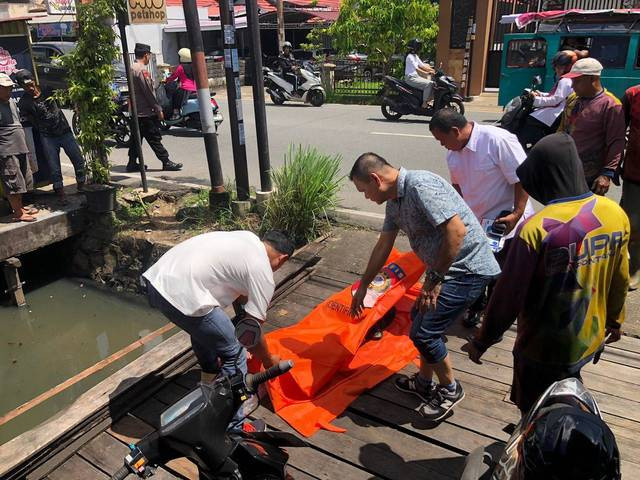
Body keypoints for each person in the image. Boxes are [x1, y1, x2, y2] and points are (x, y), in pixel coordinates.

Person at [462, 133, 629, 415]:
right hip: (589, 335)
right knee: (570, 385)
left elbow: (508, 295)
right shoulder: (614, 214)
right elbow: (620, 279)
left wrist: (483, 340)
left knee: (533, 408)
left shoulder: (538, 229)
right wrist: (615, 319)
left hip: (542, 347)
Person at [349, 153, 500, 421]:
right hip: (445, 271)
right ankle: (423, 383)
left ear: (375, 179)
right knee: (420, 320)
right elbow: (383, 245)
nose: (365, 197)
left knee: (425, 333)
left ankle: (451, 389)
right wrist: (363, 286)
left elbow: (456, 232)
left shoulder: (420, 186)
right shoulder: (394, 201)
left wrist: (433, 282)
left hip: (467, 269)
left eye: (364, 190)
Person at [142, 230, 294, 385]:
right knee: (235, 353)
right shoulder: (263, 273)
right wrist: (268, 361)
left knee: (205, 331)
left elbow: (239, 294)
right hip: (182, 294)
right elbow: (251, 330)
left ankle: (210, 375)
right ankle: (231, 405)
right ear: (282, 259)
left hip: (156, 281)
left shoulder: (246, 237)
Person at [429, 109, 535, 326]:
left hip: (506, 223)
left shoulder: (497, 140)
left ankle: (496, 319)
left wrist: (517, 213)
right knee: (476, 270)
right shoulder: (453, 154)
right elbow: (457, 188)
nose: (441, 145)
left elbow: (521, 178)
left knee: (503, 276)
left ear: (455, 131)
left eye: (442, 139)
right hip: (477, 225)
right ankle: (476, 307)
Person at [558, 58, 626, 196]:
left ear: (592, 79)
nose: (572, 85)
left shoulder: (611, 105)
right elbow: (563, 129)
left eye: (577, 81)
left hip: (589, 177)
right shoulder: (573, 99)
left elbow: (616, 142)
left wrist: (607, 174)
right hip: (566, 171)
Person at [15, 69, 85, 201]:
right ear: (21, 87)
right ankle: (60, 193)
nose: (30, 88)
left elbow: (65, 99)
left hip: (64, 131)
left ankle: (81, 185)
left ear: (34, 81)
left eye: (30, 84)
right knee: (54, 167)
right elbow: (30, 120)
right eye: (25, 86)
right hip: (47, 136)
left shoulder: (48, 89)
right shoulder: (24, 102)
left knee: (78, 159)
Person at [127, 43, 182, 173]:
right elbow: (148, 92)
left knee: (136, 139)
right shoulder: (141, 70)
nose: (150, 58)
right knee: (154, 137)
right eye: (149, 55)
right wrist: (158, 109)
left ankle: (132, 163)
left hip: (135, 111)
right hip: (145, 112)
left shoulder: (131, 67)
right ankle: (166, 161)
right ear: (146, 55)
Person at [517, 50, 576, 150]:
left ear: (567, 67)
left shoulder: (566, 80)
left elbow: (555, 100)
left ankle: (537, 147)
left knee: (530, 119)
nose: (556, 69)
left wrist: (535, 100)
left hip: (556, 113)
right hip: (557, 111)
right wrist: (540, 94)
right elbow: (556, 95)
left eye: (559, 67)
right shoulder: (568, 79)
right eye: (556, 67)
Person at [0, 73, 38, 222]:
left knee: (22, 180)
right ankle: (17, 212)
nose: (9, 91)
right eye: (5, 88)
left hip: (20, 145)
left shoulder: (11, 102)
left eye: (10, 88)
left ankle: (20, 207)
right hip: (6, 148)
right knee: (12, 180)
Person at [621, 83, 640, 291]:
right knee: (633, 223)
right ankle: (632, 268)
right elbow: (619, 130)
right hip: (635, 171)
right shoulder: (632, 94)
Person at [164, 48, 196, 120]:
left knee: (174, 96)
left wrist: (166, 80)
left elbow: (173, 76)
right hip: (195, 89)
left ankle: (176, 114)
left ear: (183, 57)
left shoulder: (181, 67)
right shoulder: (194, 66)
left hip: (185, 89)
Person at [404, 39, 435, 110]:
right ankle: (424, 103)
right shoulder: (410, 57)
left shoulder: (415, 56)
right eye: (418, 47)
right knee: (429, 84)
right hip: (410, 78)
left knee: (433, 84)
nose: (419, 49)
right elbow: (417, 68)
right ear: (415, 47)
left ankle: (428, 100)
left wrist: (433, 70)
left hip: (415, 77)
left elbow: (422, 66)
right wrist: (426, 73)